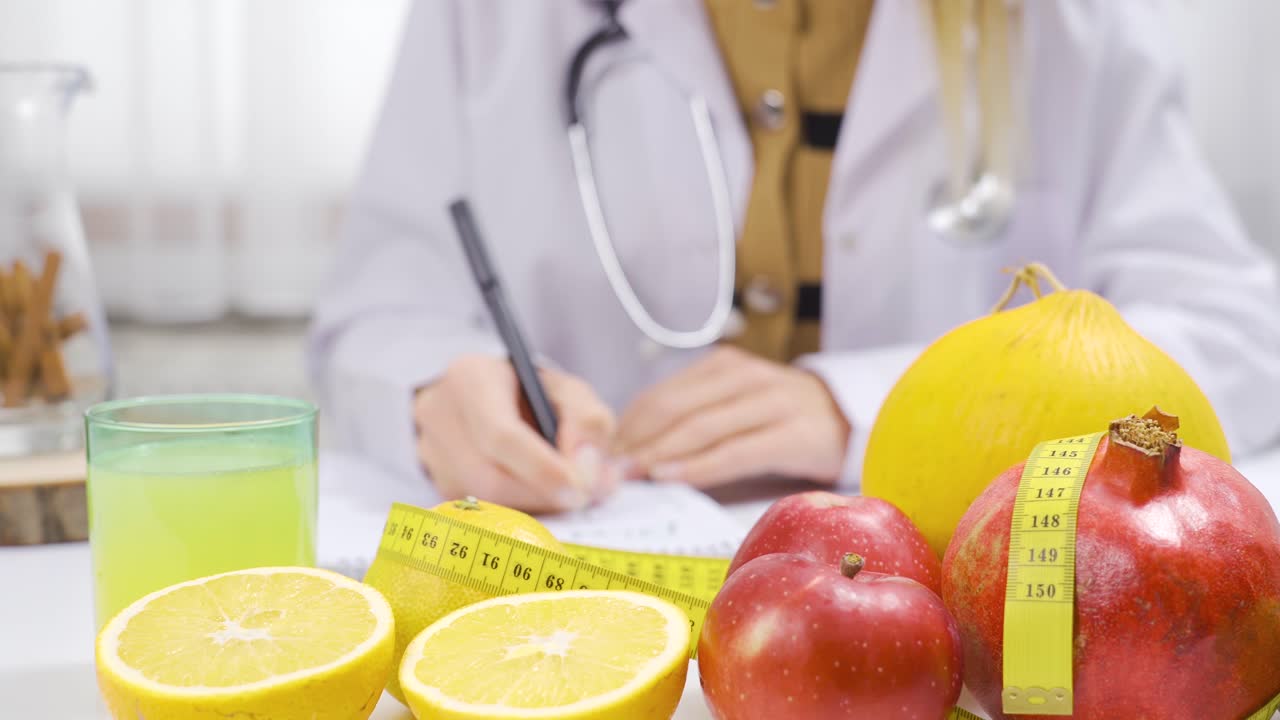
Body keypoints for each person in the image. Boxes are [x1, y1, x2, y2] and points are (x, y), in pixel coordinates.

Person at [308, 1, 1280, 514]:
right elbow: (377, 313)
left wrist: (861, 410)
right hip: (586, 599)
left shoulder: (1066, 19)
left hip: (934, 624)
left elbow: (1234, 341)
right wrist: (433, 393)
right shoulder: (496, 14)